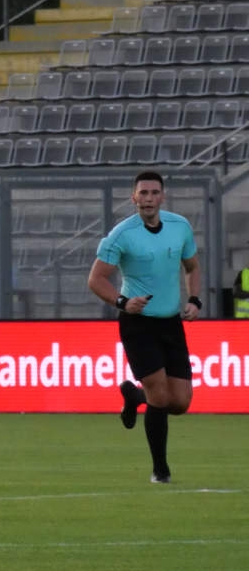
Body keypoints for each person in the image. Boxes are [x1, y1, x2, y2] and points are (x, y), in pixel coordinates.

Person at [87, 170, 201, 485]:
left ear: (162, 196)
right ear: (133, 197)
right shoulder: (121, 235)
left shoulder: (180, 227)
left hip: (171, 322)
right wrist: (122, 302)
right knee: (160, 395)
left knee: (181, 402)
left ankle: (135, 396)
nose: (149, 198)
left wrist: (194, 299)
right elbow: (96, 279)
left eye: (154, 192)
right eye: (143, 193)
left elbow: (192, 266)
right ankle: (160, 470)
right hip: (138, 324)